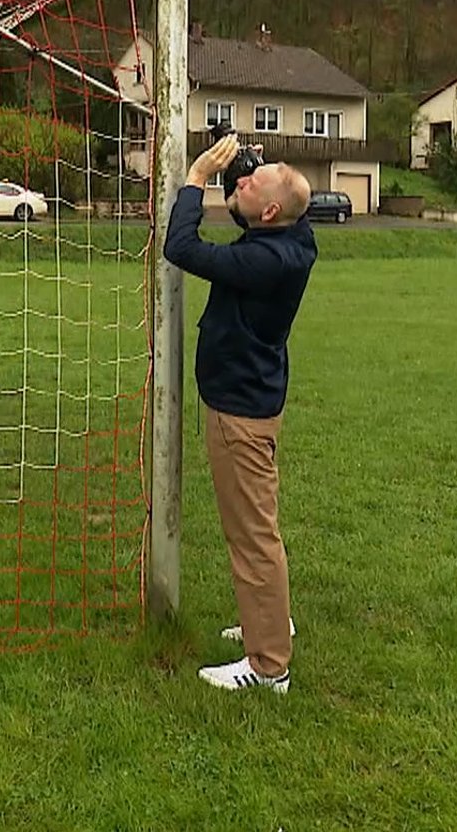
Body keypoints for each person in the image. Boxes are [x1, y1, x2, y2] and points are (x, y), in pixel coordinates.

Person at [163, 131, 317, 694]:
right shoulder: (293, 234)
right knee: (261, 528)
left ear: (270, 210)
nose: (243, 181)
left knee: (252, 536)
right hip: (258, 397)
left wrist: (197, 177)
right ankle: (272, 621)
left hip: (239, 415)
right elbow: (254, 209)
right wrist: (245, 171)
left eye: (251, 182)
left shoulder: (261, 260)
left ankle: (269, 665)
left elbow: (181, 248)